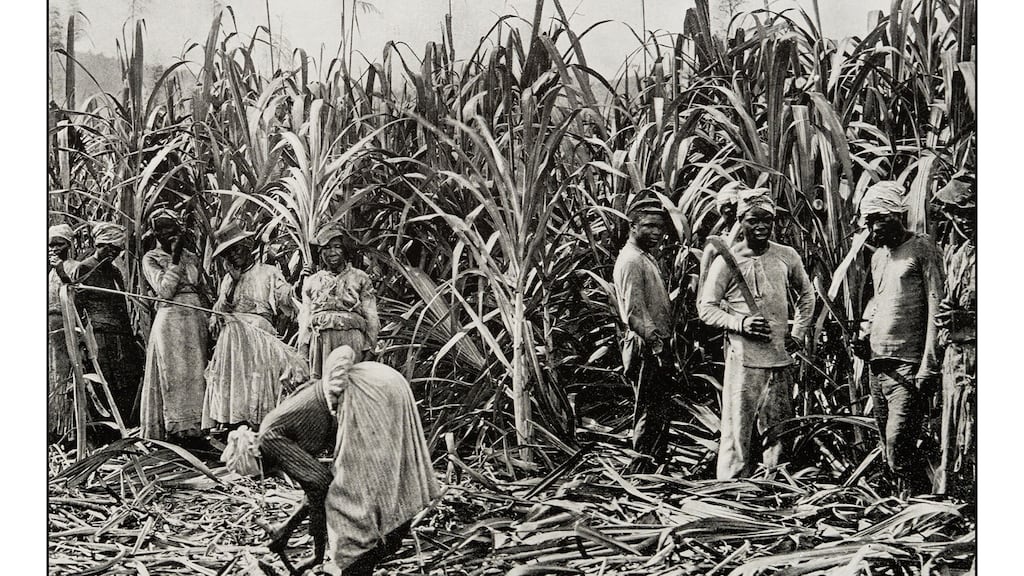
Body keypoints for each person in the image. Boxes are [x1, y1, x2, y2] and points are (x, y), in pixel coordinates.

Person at [698, 188, 815, 480]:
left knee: (779, 428)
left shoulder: (786, 255)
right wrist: (741, 324)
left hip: (779, 359)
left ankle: (774, 487)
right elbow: (706, 308)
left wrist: (798, 332)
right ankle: (731, 491)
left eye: (767, 220)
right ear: (741, 221)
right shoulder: (728, 260)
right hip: (744, 360)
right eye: (753, 220)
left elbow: (807, 296)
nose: (761, 226)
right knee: (737, 428)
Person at [855, 181, 945, 497]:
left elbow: (937, 308)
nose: (872, 228)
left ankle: (919, 507)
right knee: (886, 443)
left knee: (899, 440)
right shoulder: (880, 257)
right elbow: (877, 302)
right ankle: (898, 508)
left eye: (878, 219)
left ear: (896, 215)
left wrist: (929, 367)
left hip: (907, 365)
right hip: (878, 364)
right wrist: (865, 336)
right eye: (868, 221)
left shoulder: (922, 250)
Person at [321, 346, 440, 576]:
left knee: (346, 494)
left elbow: (316, 480)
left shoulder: (283, 425)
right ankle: (383, 536)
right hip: (387, 383)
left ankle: (354, 560)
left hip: (366, 392)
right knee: (389, 470)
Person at [202, 221, 307, 431]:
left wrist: (300, 284)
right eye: (228, 253)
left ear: (248, 244)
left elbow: (286, 298)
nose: (234, 255)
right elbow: (220, 313)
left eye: (237, 248)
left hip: (259, 336)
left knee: (261, 379)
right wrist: (233, 282)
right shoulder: (228, 280)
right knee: (237, 381)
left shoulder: (268, 272)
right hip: (233, 339)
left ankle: (260, 424)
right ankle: (236, 424)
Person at [612, 195, 674, 474]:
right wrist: (656, 345)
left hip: (654, 343)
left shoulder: (643, 257)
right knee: (648, 409)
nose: (657, 233)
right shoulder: (631, 261)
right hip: (646, 345)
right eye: (649, 226)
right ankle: (643, 470)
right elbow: (635, 313)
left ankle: (654, 466)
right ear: (632, 227)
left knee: (657, 407)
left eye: (660, 227)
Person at [139, 208, 211, 442]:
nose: (164, 232)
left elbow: (199, 286)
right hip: (170, 318)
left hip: (193, 316)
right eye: (159, 227)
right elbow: (165, 290)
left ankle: (197, 429)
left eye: (169, 226)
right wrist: (176, 257)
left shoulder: (192, 256)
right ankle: (176, 430)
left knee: (195, 372)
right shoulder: (152, 258)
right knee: (174, 372)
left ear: (178, 228)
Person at [67, 222, 144, 428]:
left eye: (117, 249)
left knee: (126, 381)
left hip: (120, 334)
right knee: (102, 382)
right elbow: (75, 307)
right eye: (108, 247)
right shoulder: (83, 268)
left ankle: (125, 427)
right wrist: (81, 341)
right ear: (97, 244)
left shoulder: (115, 272)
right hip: (98, 335)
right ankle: (104, 431)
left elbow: (121, 306)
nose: (112, 252)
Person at [931, 175, 976, 499]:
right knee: (955, 424)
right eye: (957, 215)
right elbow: (951, 300)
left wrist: (969, 320)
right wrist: (947, 315)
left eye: (970, 213)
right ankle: (955, 499)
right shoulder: (958, 255)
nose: (963, 221)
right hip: (957, 357)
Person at [298, 224, 380, 377]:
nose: (332, 252)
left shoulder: (360, 277)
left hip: (351, 339)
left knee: (351, 386)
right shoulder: (312, 281)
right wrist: (303, 348)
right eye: (326, 248)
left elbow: (371, 315)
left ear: (345, 250)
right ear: (320, 252)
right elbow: (304, 318)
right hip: (321, 341)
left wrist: (370, 346)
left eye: (337, 247)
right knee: (323, 388)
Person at [48, 224, 79, 442]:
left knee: (66, 372)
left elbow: (75, 293)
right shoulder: (48, 272)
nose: (55, 248)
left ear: (69, 245)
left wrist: (60, 270)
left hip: (66, 322)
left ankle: (69, 429)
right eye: (51, 245)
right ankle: (53, 426)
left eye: (59, 244)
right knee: (52, 372)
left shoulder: (75, 267)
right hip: (50, 324)